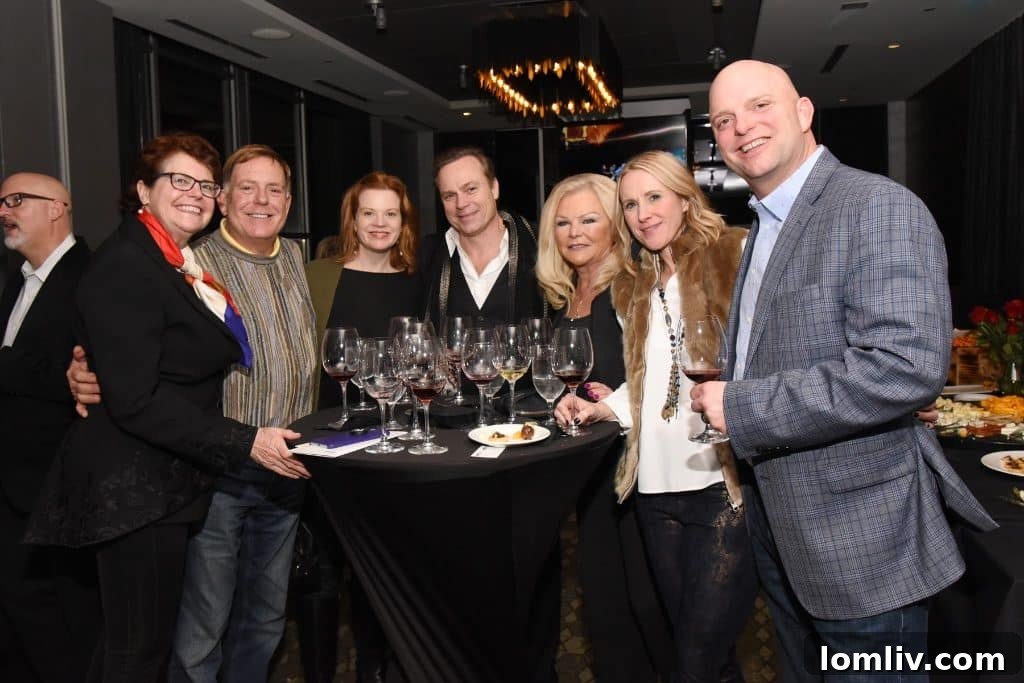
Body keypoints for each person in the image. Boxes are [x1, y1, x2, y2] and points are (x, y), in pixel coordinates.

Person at [690, 59, 997, 681]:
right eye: (724, 120)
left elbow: (904, 367)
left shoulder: (875, 206)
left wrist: (742, 408)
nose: (741, 127)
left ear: (804, 111)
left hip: (863, 543)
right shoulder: (764, 225)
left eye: (759, 106)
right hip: (781, 525)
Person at [24, 133, 309, 683]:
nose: (194, 194)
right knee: (153, 645)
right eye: (181, 181)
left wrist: (94, 365)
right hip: (145, 483)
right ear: (142, 190)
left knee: (135, 643)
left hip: (180, 478)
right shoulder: (139, 261)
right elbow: (135, 396)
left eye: (201, 184)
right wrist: (244, 439)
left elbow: (145, 357)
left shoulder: (174, 260)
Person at [554, 151, 759, 681]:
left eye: (654, 197)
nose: (643, 214)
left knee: (696, 659)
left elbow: (776, 348)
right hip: (655, 489)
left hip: (721, 485)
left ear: (684, 198)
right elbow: (644, 381)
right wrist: (603, 407)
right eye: (630, 204)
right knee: (700, 654)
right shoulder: (633, 284)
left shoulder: (732, 254)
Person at [162, 144, 318, 682]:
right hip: (221, 473)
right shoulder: (193, 265)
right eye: (247, 188)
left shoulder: (297, 258)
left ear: (289, 201)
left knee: (266, 619)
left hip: (287, 473)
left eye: (274, 189)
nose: (262, 200)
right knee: (204, 626)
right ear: (223, 199)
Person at [535, 173, 673, 682]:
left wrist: (608, 403)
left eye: (589, 219)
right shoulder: (563, 295)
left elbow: (665, 376)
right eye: (564, 222)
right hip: (592, 478)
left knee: (652, 608)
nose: (575, 232)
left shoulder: (635, 285)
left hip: (641, 473)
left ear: (615, 225)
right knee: (607, 609)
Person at [301, 171, 423, 683]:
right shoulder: (316, 276)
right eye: (368, 212)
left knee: (384, 570)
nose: (379, 223)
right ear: (352, 218)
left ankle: (377, 670)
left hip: (393, 444)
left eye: (390, 213)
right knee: (321, 570)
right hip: (327, 444)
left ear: (404, 221)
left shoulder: (416, 281)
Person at [0, 173, 96, 682]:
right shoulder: (17, 276)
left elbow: (76, 372)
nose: (4, 210)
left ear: (58, 207)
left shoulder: (91, 276)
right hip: (14, 480)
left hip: (60, 481)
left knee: (67, 620)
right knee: (20, 611)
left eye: (17, 200)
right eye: (1, 201)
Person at [421, 146, 545, 327]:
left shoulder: (540, 246)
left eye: (470, 189)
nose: (461, 203)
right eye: (449, 196)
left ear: (494, 188)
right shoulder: (427, 255)